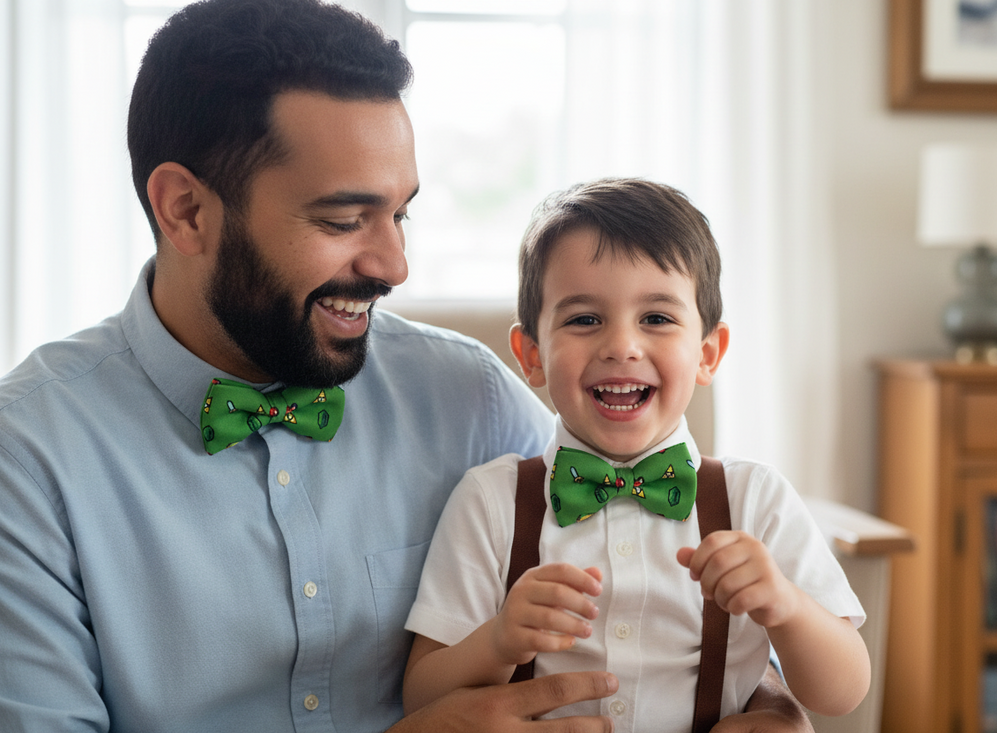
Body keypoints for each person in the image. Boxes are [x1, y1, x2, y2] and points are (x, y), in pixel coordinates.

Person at [0, 1, 814, 731]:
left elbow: (653, 593)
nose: (394, 265)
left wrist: (769, 704)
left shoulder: (470, 397)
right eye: (344, 218)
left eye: (400, 214)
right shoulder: (30, 457)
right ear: (186, 210)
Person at [403, 178, 872, 731]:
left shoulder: (756, 499)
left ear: (708, 353)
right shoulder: (490, 501)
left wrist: (787, 606)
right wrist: (497, 640)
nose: (621, 346)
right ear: (531, 355)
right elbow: (422, 698)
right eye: (584, 319)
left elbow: (843, 692)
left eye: (656, 318)